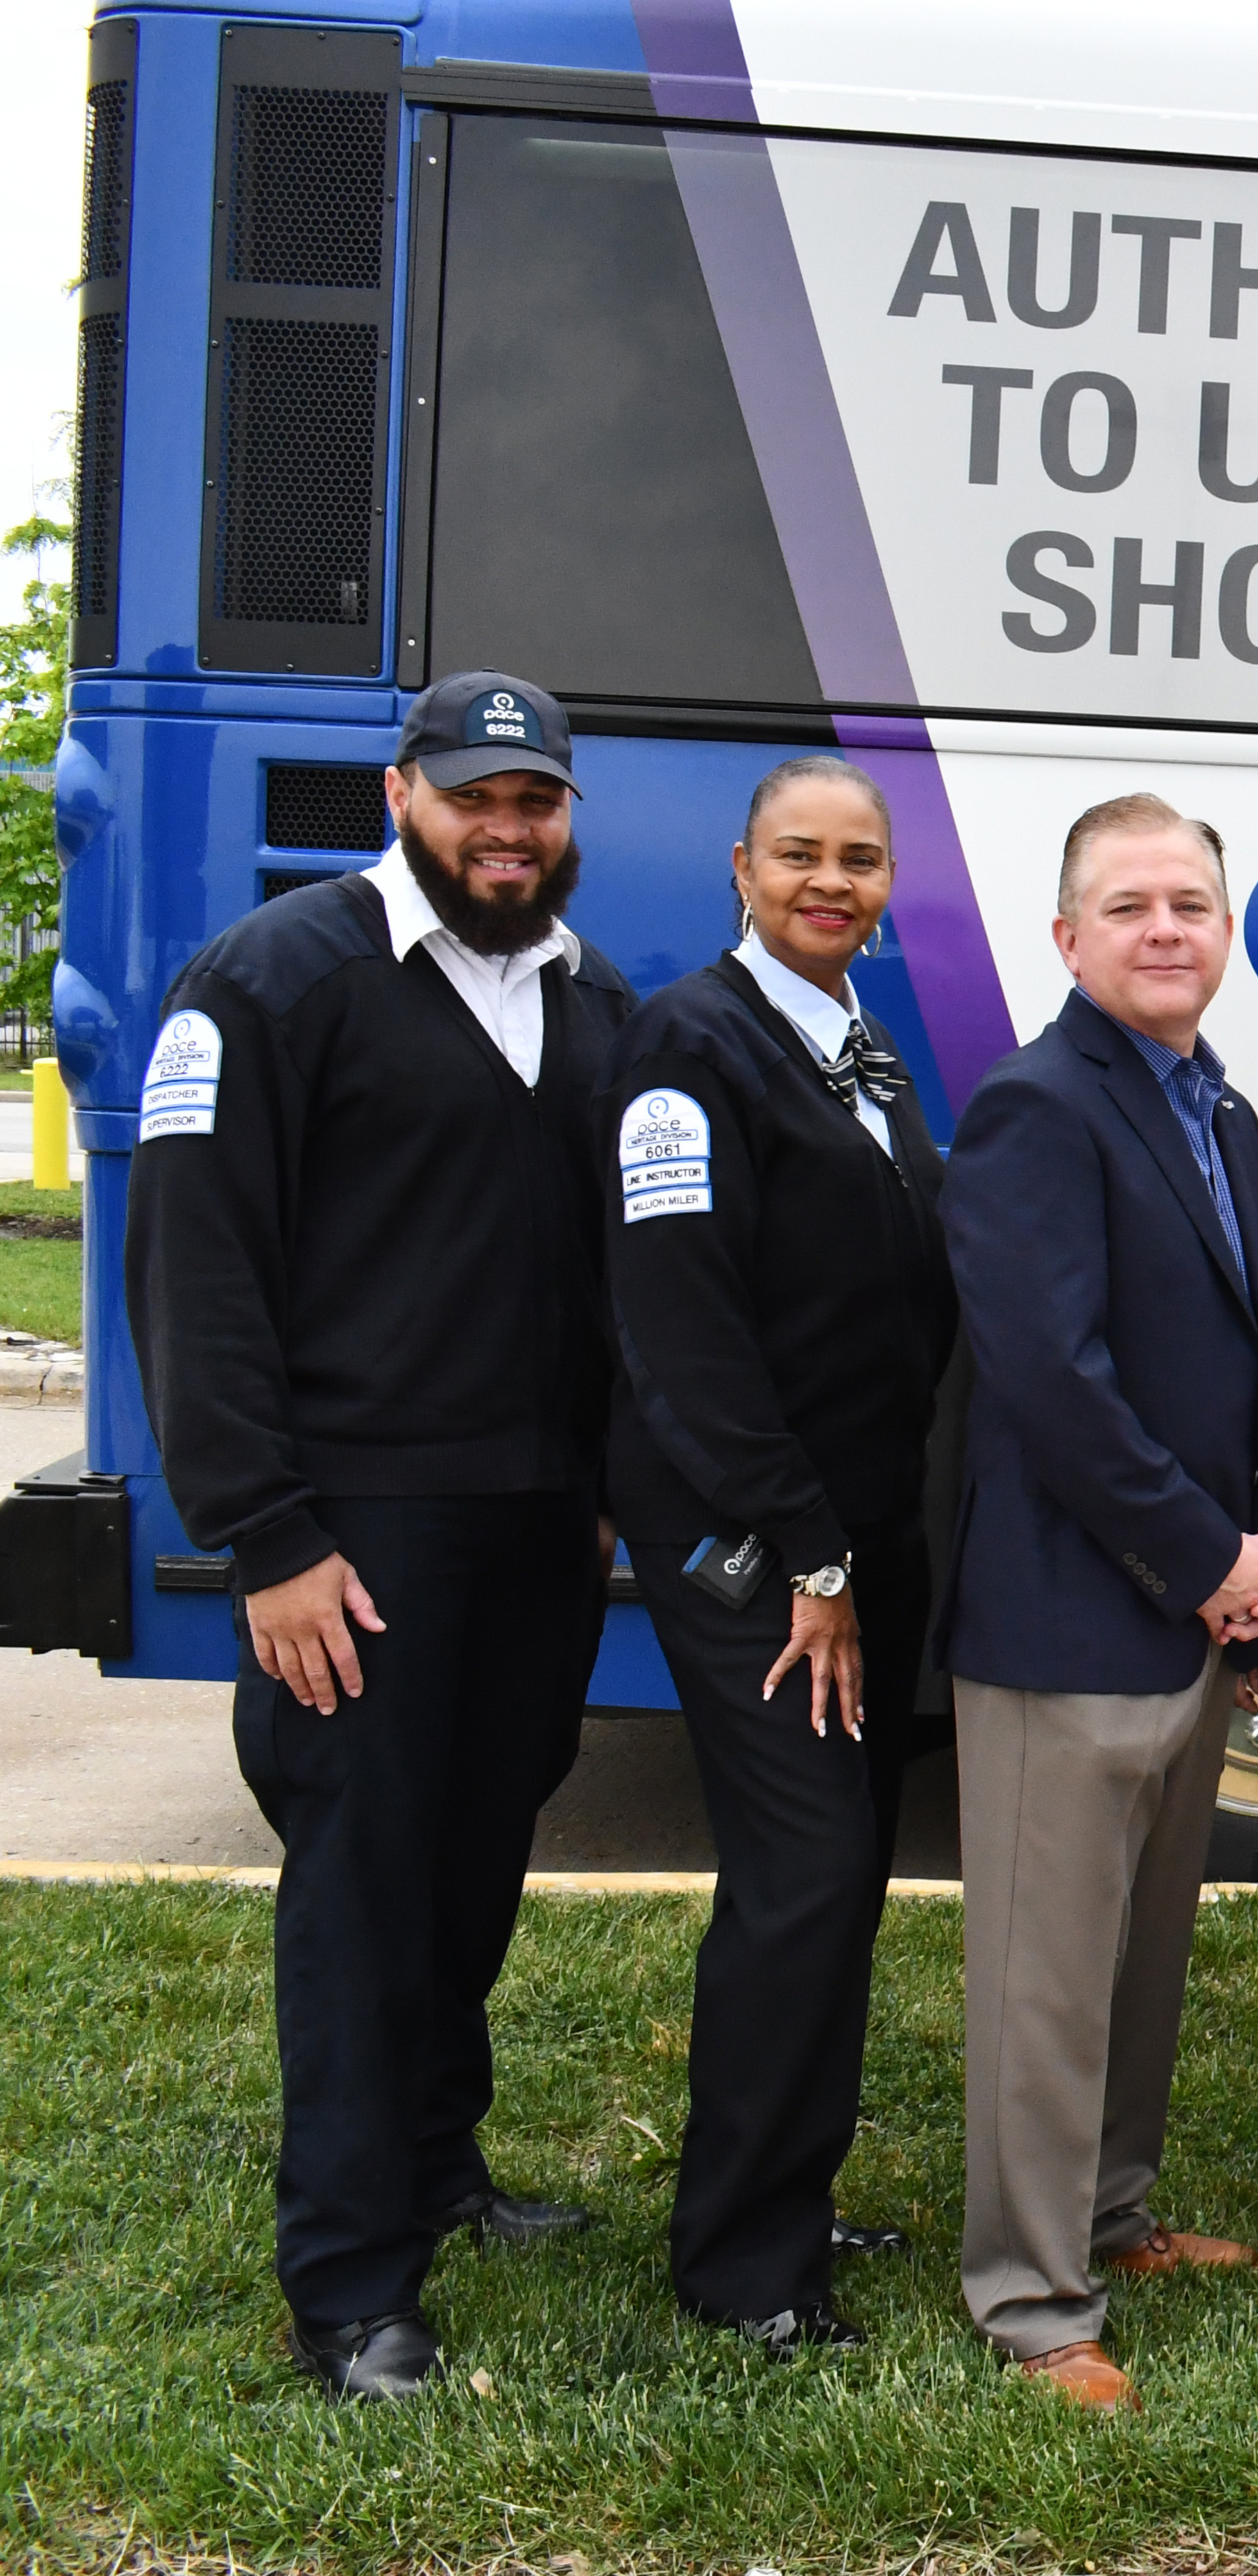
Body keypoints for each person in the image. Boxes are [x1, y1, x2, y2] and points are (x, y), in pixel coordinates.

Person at [126, 672, 634, 2400]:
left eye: (537, 801)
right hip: (355, 1535)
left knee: (477, 1861)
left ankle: (436, 2164)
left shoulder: (591, 1001)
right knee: (362, 1893)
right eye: (476, 796)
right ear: (403, 791)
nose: (508, 829)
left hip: (536, 1526)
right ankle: (348, 2285)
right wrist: (266, 1535)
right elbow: (194, 1274)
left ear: (569, 815)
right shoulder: (276, 982)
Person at [937, 792, 1258, 2413]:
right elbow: (1054, 1383)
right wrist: (1207, 1554)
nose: (1167, 928)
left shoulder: (1213, 1108)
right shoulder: (1039, 1104)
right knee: (1046, 1971)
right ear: (1067, 936)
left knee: (1142, 1957)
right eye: (1131, 904)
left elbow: (1253, 1364)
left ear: (1227, 930)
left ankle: (1113, 2214)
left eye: (1193, 904)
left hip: (1184, 1613)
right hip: (1065, 1619)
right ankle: (1031, 2293)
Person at [604, 756, 956, 2355]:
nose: (834, 881)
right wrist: (811, 1557)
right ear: (741, 868)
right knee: (803, 1876)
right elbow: (683, 1329)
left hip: (859, 1536)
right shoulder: (687, 1045)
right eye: (802, 855)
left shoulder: (859, 1051)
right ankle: (741, 2261)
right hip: (759, 1547)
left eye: (861, 860)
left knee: (842, 1879)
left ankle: (792, 2197)